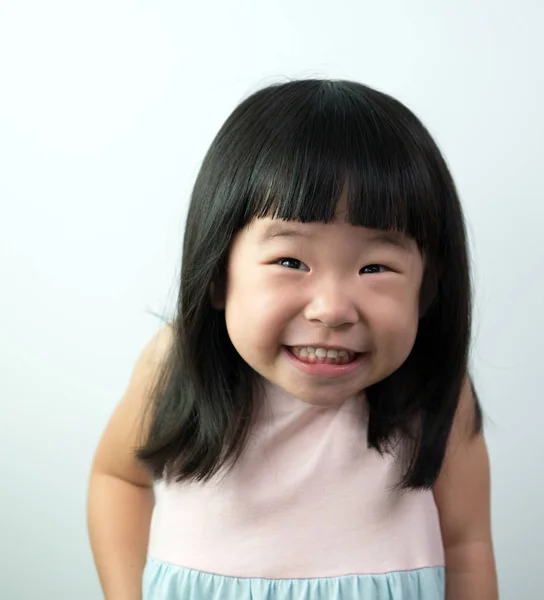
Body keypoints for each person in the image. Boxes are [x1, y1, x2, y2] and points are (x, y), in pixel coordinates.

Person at [87, 79, 498, 600]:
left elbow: (466, 545)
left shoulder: (435, 390)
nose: (331, 309)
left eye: (375, 267)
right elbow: (118, 480)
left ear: (427, 287)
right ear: (218, 274)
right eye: (290, 261)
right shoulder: (175, 365)